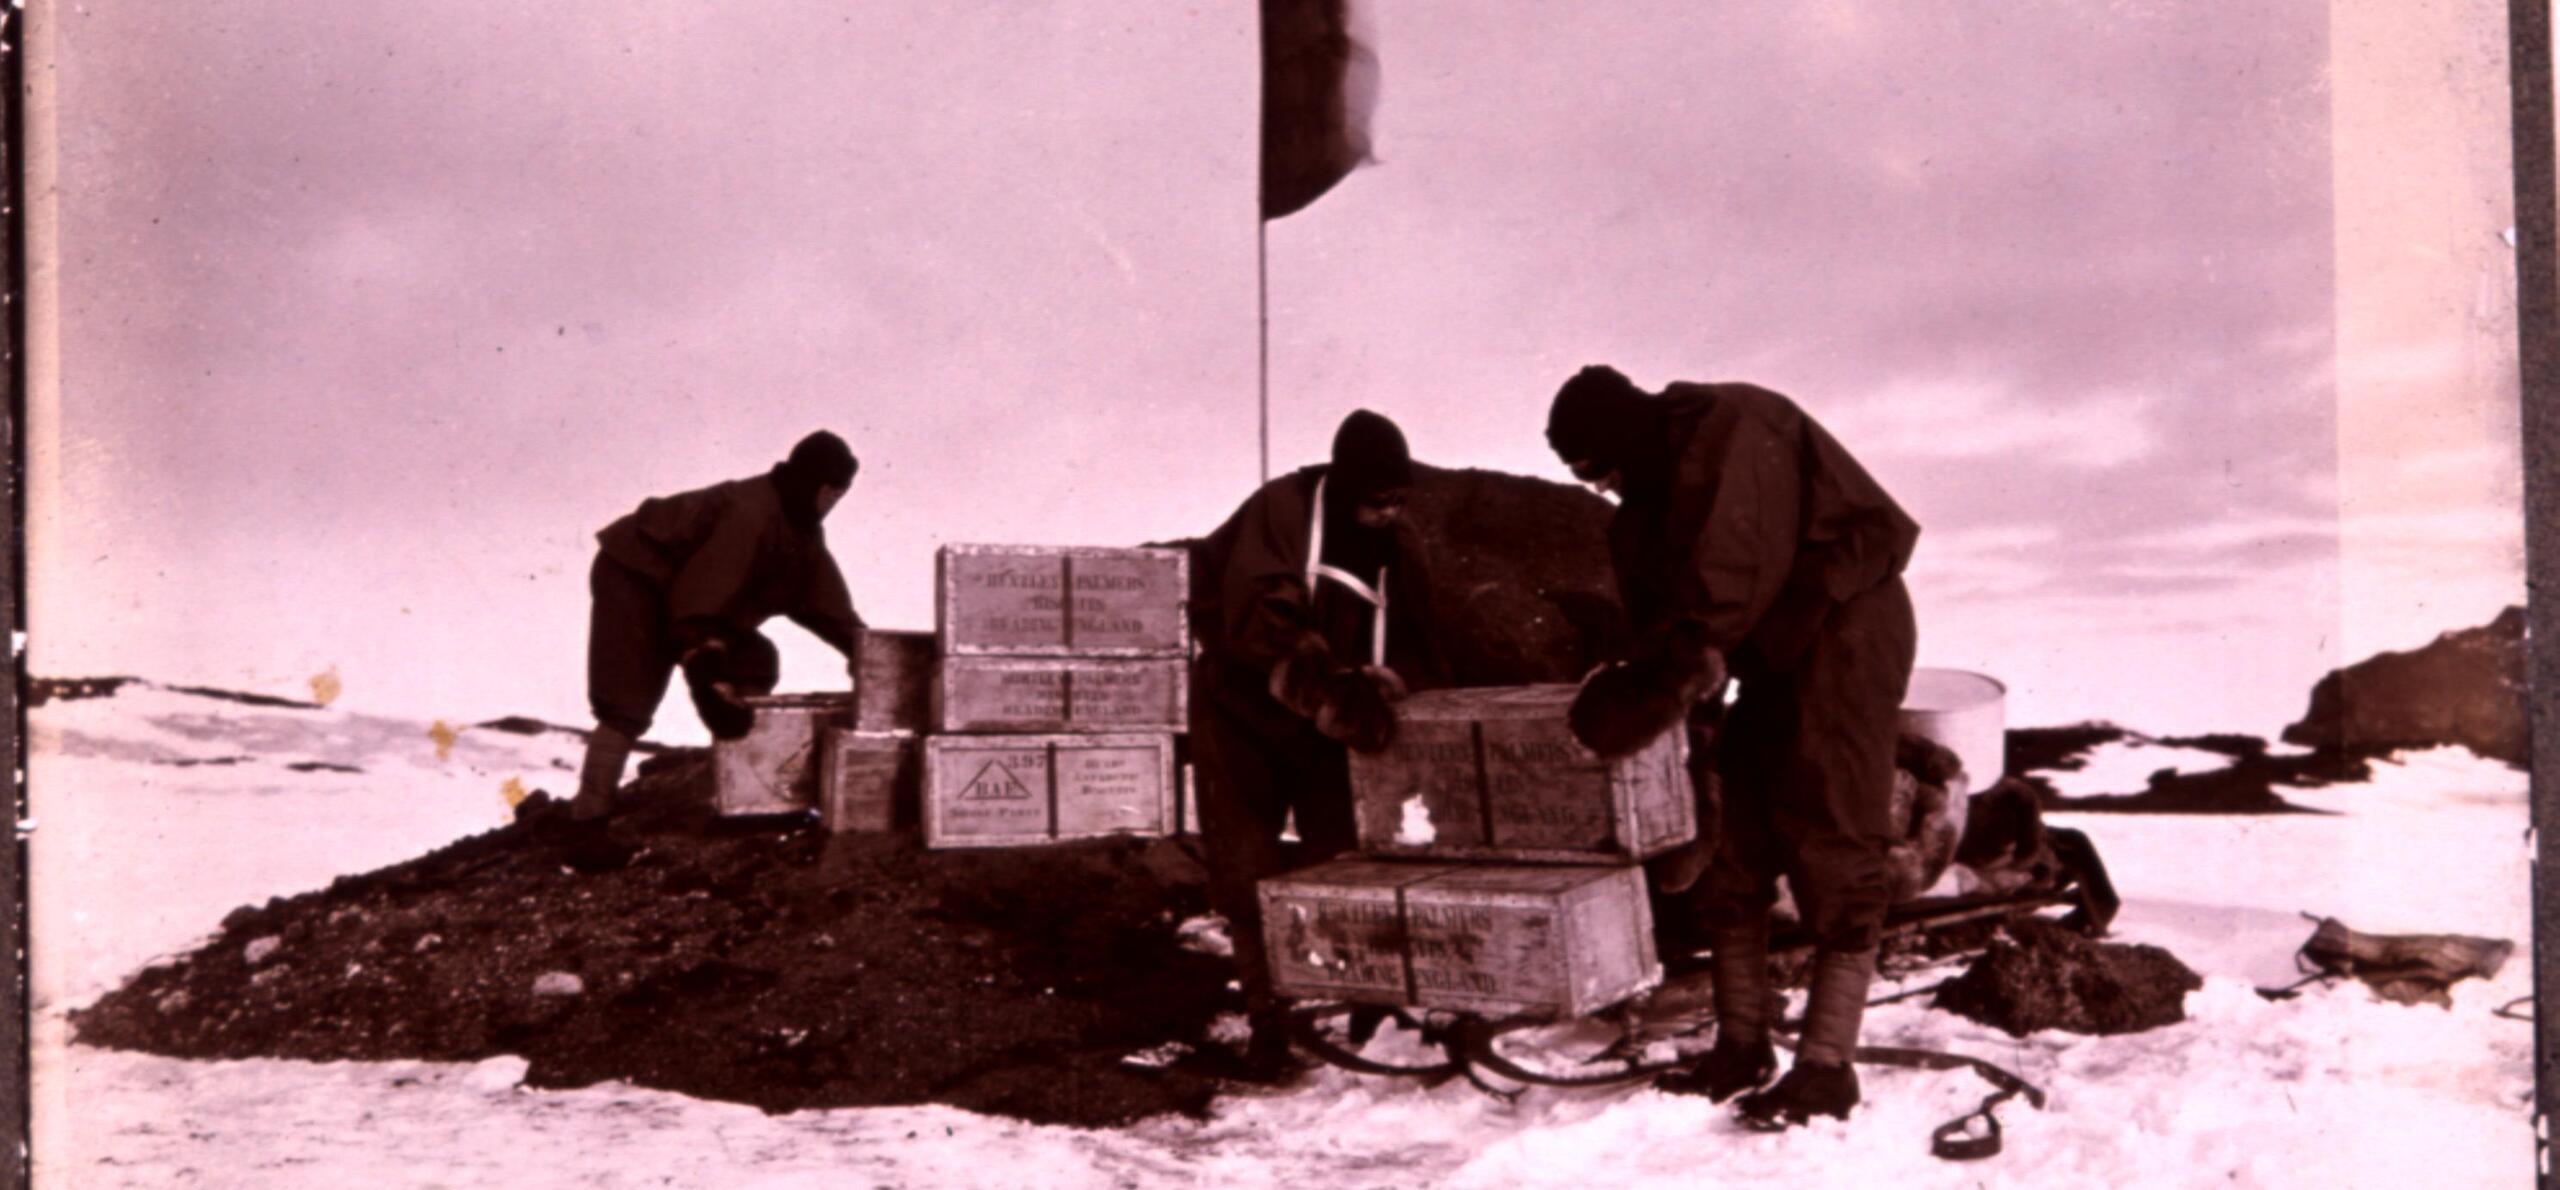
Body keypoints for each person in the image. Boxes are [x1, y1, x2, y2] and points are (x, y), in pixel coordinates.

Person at [1544, 365, 1918, 1128]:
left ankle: (1826, 1067)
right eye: (1584, 478)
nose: (1603, 485)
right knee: (1734, 842)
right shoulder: (1644, 501)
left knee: (1832, 832)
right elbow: (1663, 614)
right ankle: (1742, 1045)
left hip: (1844, 624)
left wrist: (1656, 690)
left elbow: (1723, 585)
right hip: (1764, 647)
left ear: (1625, 438)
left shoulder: (1734, 431)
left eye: (1600, 467)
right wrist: (1652, 680)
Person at [1188, 409, 1448, 1076]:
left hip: (1331, 723)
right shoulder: (1282, 511)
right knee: (1247, 864)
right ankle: (1268, 1020)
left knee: (1348, 854)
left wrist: (1394, 686)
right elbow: (1258, 623)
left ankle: (1372, 1002)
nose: (1388, 513)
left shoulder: (1398, 542)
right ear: (1346, 485)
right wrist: (1330, 690)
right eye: (1375, 501)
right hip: (1242, 710)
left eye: (1398, 501)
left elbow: (1424, 637)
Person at [571, 431, 867, 821]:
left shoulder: (802, 533)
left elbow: (824, 600)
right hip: (637, 575)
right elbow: (706, 589)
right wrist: (703, 662)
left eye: (840, 494)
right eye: (830, 490)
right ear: (811, 482)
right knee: (629, 699)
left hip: (688, 597)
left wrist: (863, 651)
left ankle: (746, 792)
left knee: (753, 660)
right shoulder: (751, 512)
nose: (832, 502)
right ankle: (589, 817)